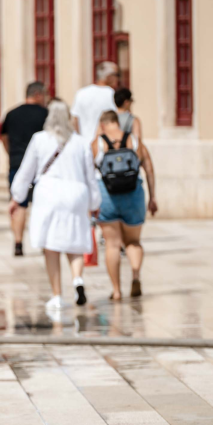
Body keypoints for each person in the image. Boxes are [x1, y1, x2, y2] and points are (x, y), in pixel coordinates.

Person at [9, 100, 101, 312]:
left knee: (51, 246)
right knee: (75, 241)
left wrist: (17, 197)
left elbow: (26, 171)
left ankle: (57, 295)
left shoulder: (39, 139)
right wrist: (95, 202)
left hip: (48, 193)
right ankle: (77, 279)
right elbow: (91, 177)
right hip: (76, 194)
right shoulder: (81, 142)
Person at [92, 110, 158, 300]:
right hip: (133, 195)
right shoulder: (134, 141)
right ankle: (135, 275)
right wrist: (152, 197)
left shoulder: (97, 144)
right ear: (117, 123)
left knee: (112, 245)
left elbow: (88, 173)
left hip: (107, 196)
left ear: (102, 124)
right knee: (133, 242)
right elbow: (149, 169)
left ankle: (116, 290)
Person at [0, 81, 49, 257]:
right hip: (41, 167)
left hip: (17, 164)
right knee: (42, 204)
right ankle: (44, 243)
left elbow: (3, 138)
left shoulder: (11, 114)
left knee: (18, 203)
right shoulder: (45, 114)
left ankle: (18, 243)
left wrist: (11, 154)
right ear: (38, 95)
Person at [70, 61, 119, 145]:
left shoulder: (81, 93)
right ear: (109, 76)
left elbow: (75, 119)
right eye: (116, 75)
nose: (118, 79)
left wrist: (79, 141)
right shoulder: (111, 94)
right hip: (104, 143)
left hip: (84, 142)